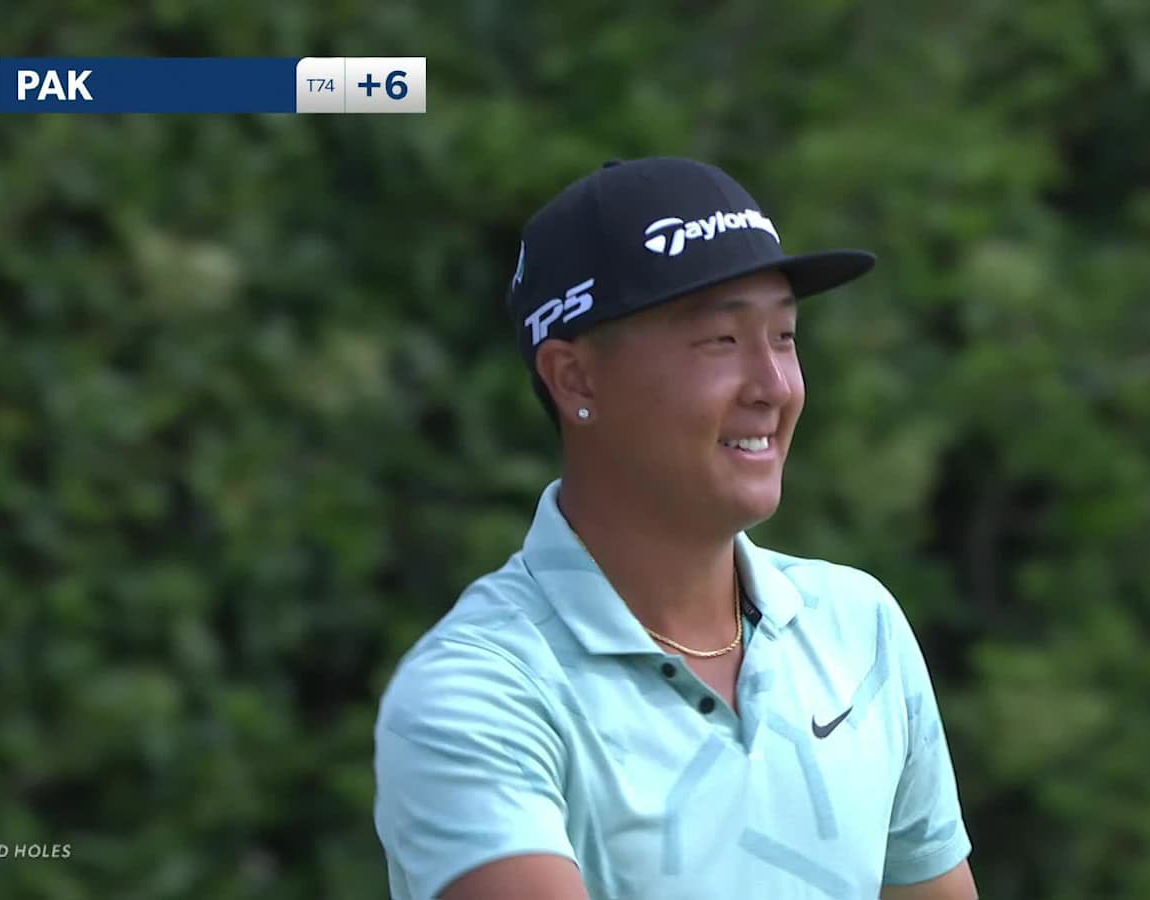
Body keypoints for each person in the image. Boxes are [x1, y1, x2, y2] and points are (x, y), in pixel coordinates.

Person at [373, 157, 977, 900]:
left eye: (784, 336)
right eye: (721, 340)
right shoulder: (474, 694)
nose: (774, 386)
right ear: (575, 379)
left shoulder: (859, 627)